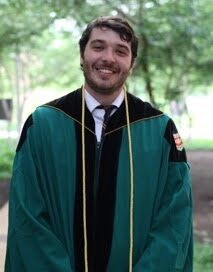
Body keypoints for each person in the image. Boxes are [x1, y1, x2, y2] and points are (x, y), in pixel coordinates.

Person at [5, 16, 193, 272]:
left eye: (120, 51)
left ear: (132, 63)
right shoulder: (43, 124)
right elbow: (27, 216)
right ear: (82, 56)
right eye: (98, 47)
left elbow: (175, 220)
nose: (108, 58)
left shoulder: (160, 129)